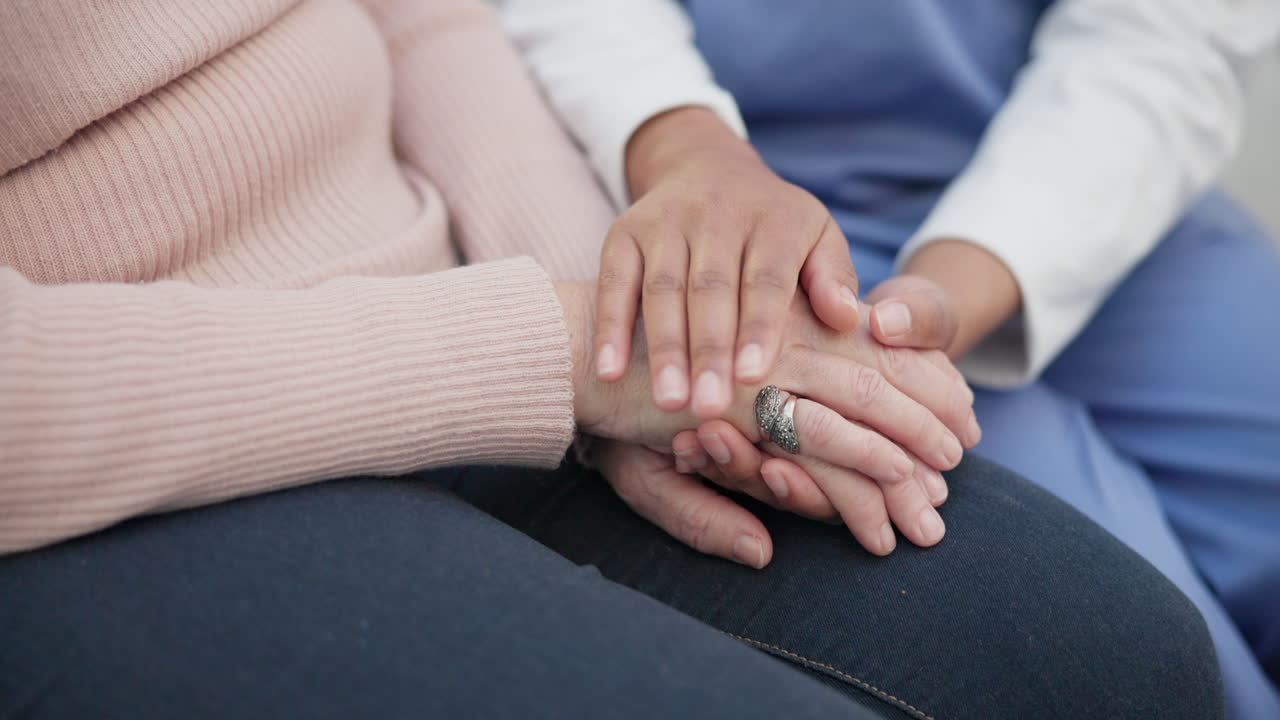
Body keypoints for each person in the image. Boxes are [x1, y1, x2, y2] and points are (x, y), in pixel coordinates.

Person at [0, 0, 1221, 717]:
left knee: (1116, 653)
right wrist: (564, 352)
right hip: (142, 445)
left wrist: (644, 333)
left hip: (490, 302)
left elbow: (422, 17)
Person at [493, 0, 1280, 716]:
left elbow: (1174, 30)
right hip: (726, 205)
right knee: (1121, 627)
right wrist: (686, 148)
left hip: (1106, 161)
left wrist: (947, 295)